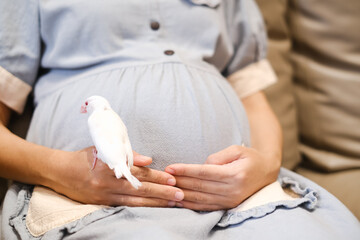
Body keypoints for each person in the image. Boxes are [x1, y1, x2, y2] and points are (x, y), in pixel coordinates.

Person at [0, 0, 359, 239]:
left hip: (245, 207)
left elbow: (254, 99)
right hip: (95, 208)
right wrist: (62, 171)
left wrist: (265, 165)